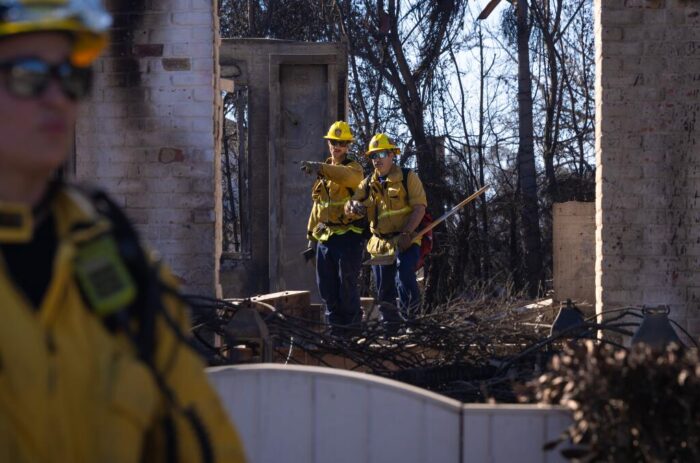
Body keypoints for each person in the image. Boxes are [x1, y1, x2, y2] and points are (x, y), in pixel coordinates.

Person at [0, 1, 246, 462]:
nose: (57, 97)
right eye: (30, 75)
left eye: (70, 77)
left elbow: (202, 436)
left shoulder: (115, 263)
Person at [345, 133, 427, 335]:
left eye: (381, 153)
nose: (377, 159)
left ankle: (413, 326)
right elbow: (350, 204)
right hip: (380, 244)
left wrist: (407, 233)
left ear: (392, 155)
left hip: (406, 240)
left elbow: (420, 208)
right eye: (373, 155)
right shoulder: (367, 184)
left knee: (405, 277)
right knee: (383, 290)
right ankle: (391, 330)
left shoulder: (408, 177)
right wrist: (353, 207)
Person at [300, 121, 364, 336]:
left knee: (347, 288)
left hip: (348, 238)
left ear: (347, 146)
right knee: (327, 289)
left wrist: (320, 167)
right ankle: (336, 334)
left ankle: (352, 333)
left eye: (342, 143)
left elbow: (345, 176)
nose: (337, 146)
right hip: (325, 239)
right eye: (333, 142)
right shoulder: (324, 174)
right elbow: (318, 208)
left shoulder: (353, 169)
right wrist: (311, 239)